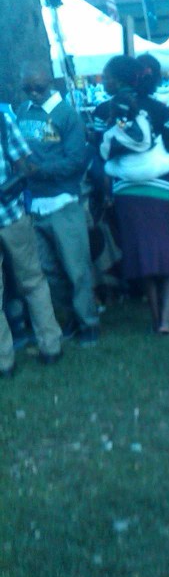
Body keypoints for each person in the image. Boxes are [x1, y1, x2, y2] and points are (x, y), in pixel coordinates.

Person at [93, 55, 169, 335]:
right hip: (161, 189)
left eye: (106, 76)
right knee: (168, 249)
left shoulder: (103, 112)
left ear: (118, 79)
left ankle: (156, 317)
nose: (103, 80)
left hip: (126, 193)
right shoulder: (159, 109)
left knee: (141, 254)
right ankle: (168, 319)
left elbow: (100, 153)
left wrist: (106, 192)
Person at [16, 62, 99, 346]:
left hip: (63, 202)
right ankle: (73, 317)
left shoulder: (67, 115)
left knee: (76, 269)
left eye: (38, 88)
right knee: (48, 271)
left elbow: (76, 161)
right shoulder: (22, 111)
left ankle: (89, 324)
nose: (33, 94)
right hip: (34, 205)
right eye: (27, 89)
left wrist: (41, 170)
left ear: (49, 82)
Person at [0, 108, 63, 377]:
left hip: (11, 213)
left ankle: (4, 363)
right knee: (33, 280)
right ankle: (51, 347)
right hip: (12, 213)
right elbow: (24, 164)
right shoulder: (2, 119)